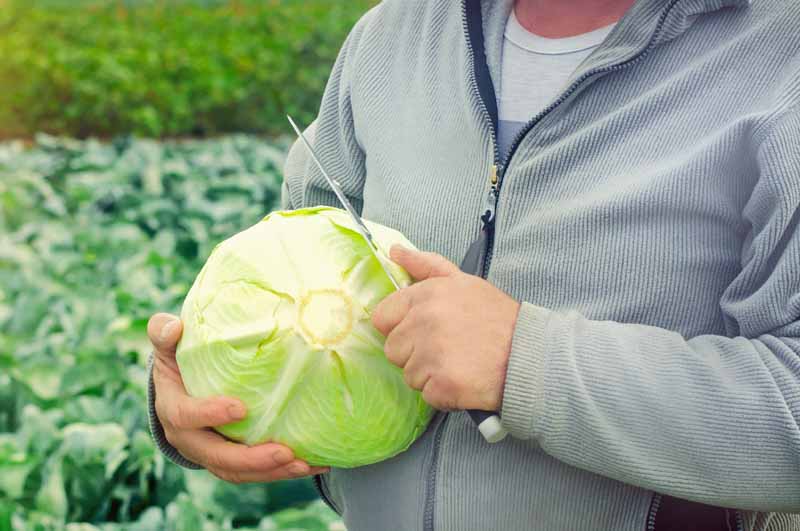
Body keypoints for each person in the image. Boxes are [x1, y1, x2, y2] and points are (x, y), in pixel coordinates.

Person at [146, 0, 800, 529]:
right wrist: (198, 397)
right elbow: (285, 274)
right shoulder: (389, 37)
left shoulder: (780, 61)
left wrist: (528, 362)